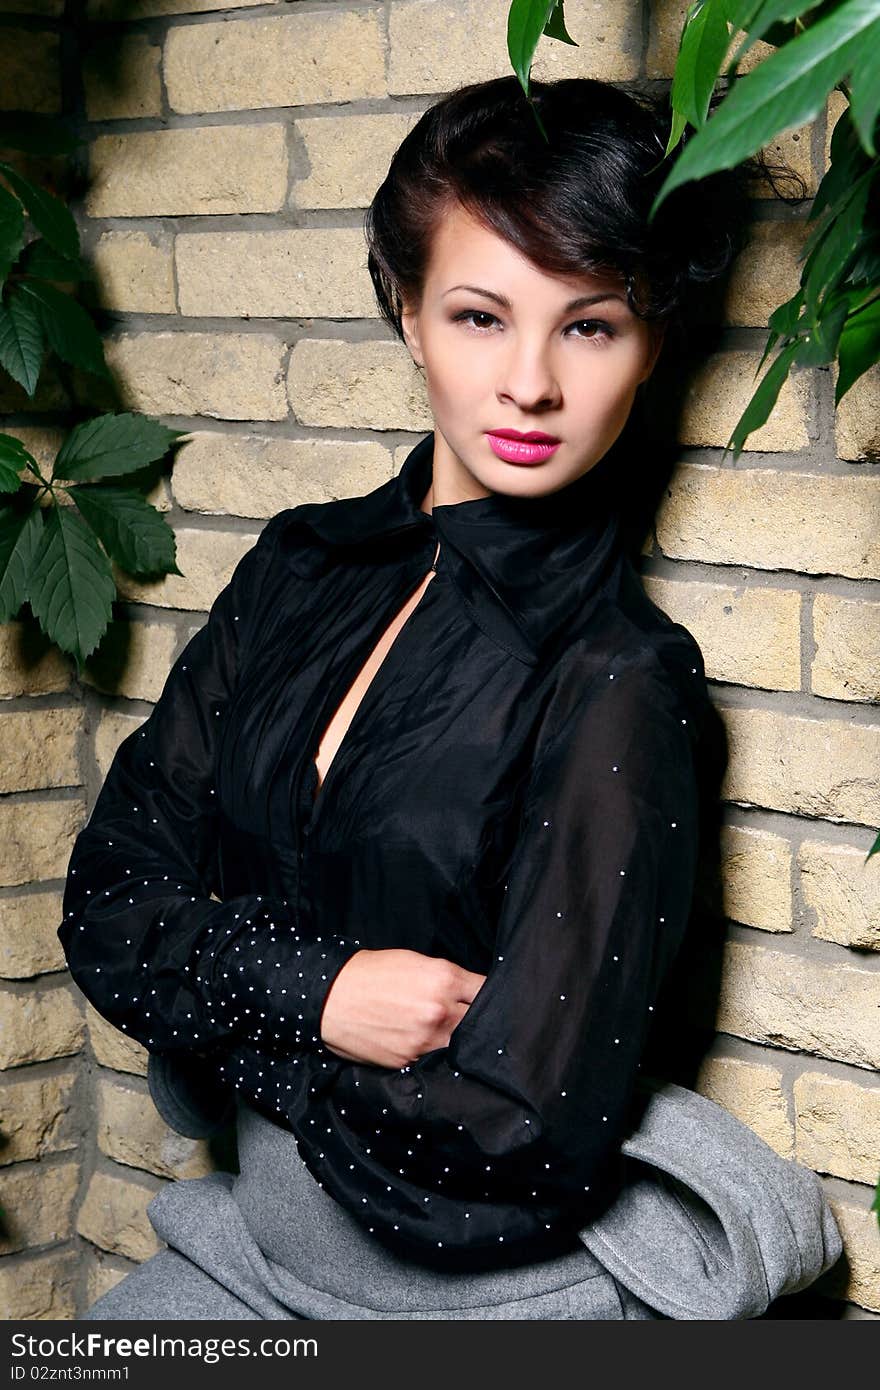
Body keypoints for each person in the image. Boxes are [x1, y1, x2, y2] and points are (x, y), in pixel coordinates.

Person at [58, 75, 839, 1320]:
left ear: (651, 349)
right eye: (482, 316)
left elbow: (510, 1134)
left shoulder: (619, 677)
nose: (529, 383)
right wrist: (321, 989)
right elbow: (104, 903)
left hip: (485, 1294)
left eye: (589, 326)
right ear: (407, 313)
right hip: (254, 1247)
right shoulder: (300, 565)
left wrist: (216, 1001)